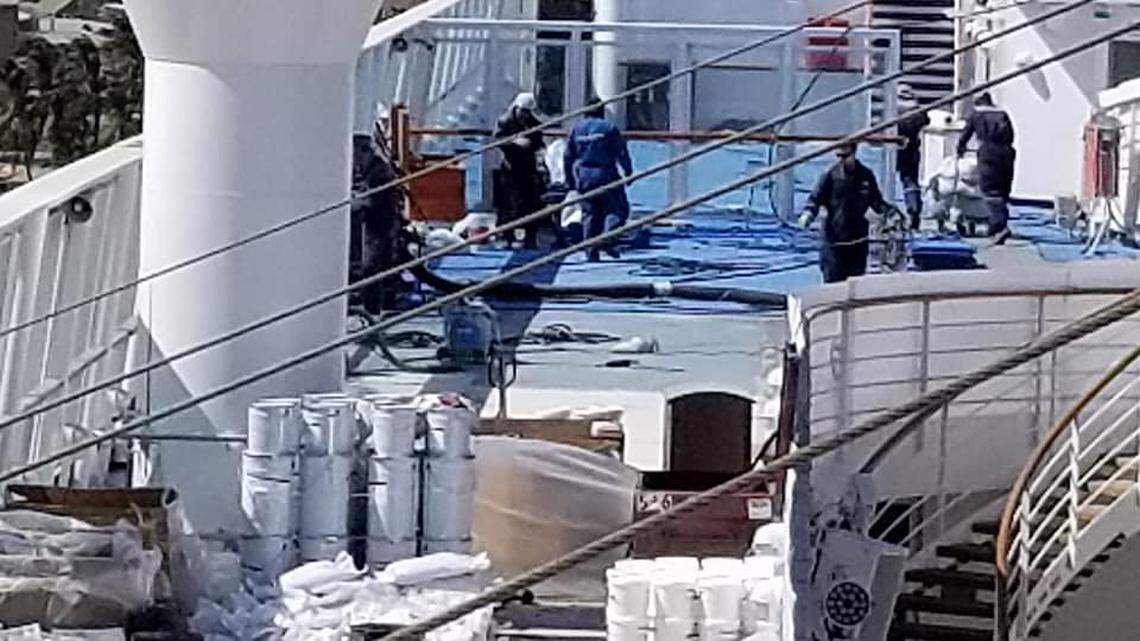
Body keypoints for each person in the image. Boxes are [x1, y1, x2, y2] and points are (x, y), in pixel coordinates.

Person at [798, 142, 892, 283]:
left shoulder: (866, 176)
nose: (841, 160)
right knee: (833, 280)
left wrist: (890, 212)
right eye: (839, 156)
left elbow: (876, 202)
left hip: (857, 238)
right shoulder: (830, 175)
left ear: (854, 154)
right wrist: (808, 213)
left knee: (855, 281)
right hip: (834, 239)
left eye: (845, 156)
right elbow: (815, 199)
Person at [564, 102, 633, 262]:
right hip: (605, 173)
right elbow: (621, 152)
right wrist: (628, 172)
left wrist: (570, 182)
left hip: (584, 175)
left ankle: (591, 251)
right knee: (617, 209)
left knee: (589, 213)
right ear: (602, 112)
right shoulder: (609, 128)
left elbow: (568, 156)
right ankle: (607, 237)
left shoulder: (576, 129)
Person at [957, 92, 1016, 244]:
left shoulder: (977, 115)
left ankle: (998, 226)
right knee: (1003, 188)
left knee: (990, 189)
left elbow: (965, 135)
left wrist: (960, 149)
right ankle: (999, 223)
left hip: (988, 152)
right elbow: (1011, 134)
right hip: (1007, 151)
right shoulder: (1002, 114)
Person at [493, 92, 545, 249]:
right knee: (508, 204)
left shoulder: (533, 123)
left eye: (528, 112)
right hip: (510, 167)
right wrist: (515, 143)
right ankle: (507, 236)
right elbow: (499, 140)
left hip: (528, 168)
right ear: (516, 108)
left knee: (530, 203)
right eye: (523, 112)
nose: (525, 115)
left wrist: (531, 143)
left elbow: (539, 140)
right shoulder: (504, 121)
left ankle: (530, 238)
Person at [895, 84, 927, 231]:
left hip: (894, 148)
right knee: (910, 181)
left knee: (887, 179)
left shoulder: (895, 108)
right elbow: (926, 121)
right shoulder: (917, 109)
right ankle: (914, 208)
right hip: (913, 148)